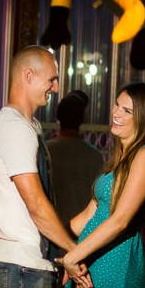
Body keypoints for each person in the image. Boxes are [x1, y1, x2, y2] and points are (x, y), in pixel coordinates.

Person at [0, 45, 89, 288]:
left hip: (24, 265)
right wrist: (73, 251)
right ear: (28, 76)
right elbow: (36, 204)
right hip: (20, 267)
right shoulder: (15, 128)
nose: (56, 88)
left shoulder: (24, 126)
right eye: (51, 79)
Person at [60, 82, 145, 288]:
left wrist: (73, 256)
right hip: (89, 254)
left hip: (116, 257)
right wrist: (54, 238)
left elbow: (121, 220)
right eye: (117, 105)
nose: (115, 113)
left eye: (126, 111)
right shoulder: (120, 157)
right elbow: (89, 214)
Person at [47, 89, 104, 225]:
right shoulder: (94, 156)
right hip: (84, 229)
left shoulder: (46, 151)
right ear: (82, 119)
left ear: (58, 116)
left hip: (54, 227)